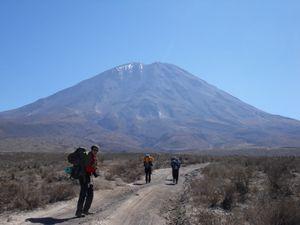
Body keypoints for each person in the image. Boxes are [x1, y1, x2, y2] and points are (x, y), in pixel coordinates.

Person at [75, 145, 99, 217]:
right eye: (94, 150)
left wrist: (94, 172)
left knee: (90, 193)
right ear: (91, 150)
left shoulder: (93, 157)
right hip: (83, 177)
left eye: (97, 150)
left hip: (88, 176)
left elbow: (90, 167)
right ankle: (79, 212)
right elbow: (88, 168)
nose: (96, 151)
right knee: (83, 194)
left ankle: (85, 210)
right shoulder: (89, 156)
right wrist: (94, 169)